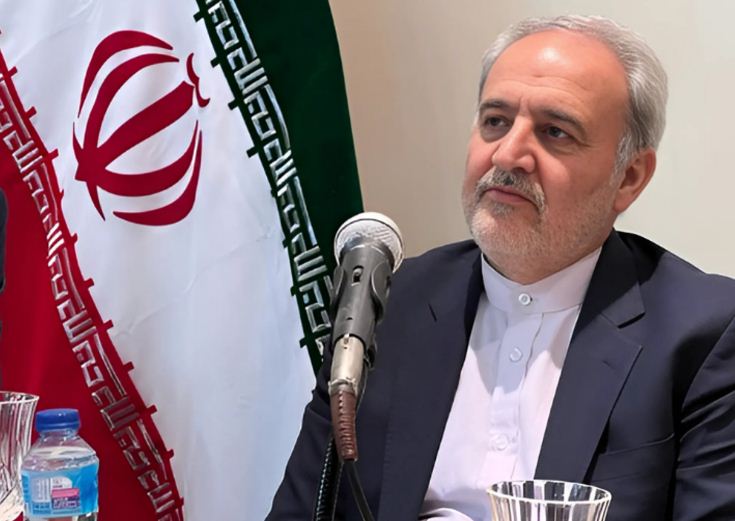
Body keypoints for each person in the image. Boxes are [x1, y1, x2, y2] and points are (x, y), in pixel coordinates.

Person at [268, 15, 735, 521]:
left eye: (555, 132)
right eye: (495, 121)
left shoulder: (703, 335)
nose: (509, 154)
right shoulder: (389, 306)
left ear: (629, 177)